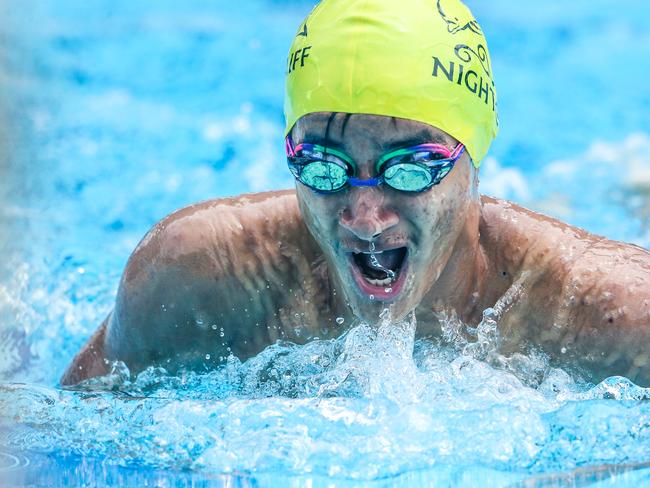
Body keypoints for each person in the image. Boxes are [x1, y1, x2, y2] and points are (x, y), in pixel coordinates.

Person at [61, 0, 650, 387]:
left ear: (475, 156)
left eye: (412, 168)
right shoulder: (196, 272)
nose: (365, 217)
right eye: (323, 166)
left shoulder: (607, 312)